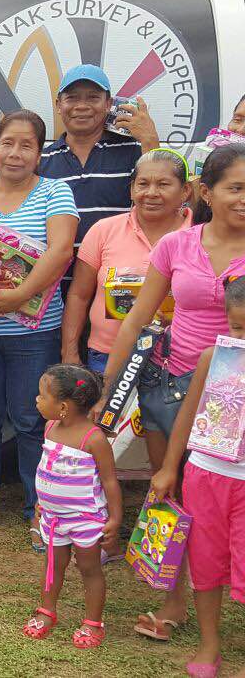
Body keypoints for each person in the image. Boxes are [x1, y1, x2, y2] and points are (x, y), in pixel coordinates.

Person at [104, 144, 245, 645]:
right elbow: (138, 318)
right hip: (171, 383)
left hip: (237, 398)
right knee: (175, 495)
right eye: (235, 188)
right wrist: (107, 393)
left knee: (230, 501)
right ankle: (174, 599)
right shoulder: (176, 246)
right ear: (207, 193)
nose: (243, 198)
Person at [0, 110, 77, 546]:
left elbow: (60, 252)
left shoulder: (54, 193)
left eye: (27, 145)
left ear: (40, 153)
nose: (16, 153)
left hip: (35, 333)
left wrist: (19, 297)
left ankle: (39, 507)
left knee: (30, 420)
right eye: (8, 143)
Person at [147, 276, 245, 676]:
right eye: (238, 327)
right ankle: (209, 644)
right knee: (205, 562)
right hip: (207, 473)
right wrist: (170, 467)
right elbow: (187, 415)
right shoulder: (212, 359)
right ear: (226, 322)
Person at [61, 150, 192, 375]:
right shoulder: (104, 230)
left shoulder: (200, 236)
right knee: (107, 411)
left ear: (185, 191)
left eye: (163, 184)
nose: (151, 193)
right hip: (107, 355)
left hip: (177, 360)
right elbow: (79, 296)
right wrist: (70, 352)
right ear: (132, 189)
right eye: (142, 184)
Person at [22, 365, 120, 649]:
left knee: (89, 568)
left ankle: (92, 622)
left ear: (63, 406)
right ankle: (47, 610)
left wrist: (114, 518)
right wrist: (45, 499)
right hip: (54, 517)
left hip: (85, 518)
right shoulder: (50, 428)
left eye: (42, 396)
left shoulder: (94, 439)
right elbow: (49, 468)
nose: (37, 400)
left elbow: (110, 482)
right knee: (53, 564)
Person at [38, 65, 159, 274]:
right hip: (56, 287)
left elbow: (164, 201)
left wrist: (150, 140)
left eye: (93, 98)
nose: (82, 106)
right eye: (72, 98)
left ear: (109, 104)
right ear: (59, 105)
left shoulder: (135, 151)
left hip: (119, 283)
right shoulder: (41, 161)